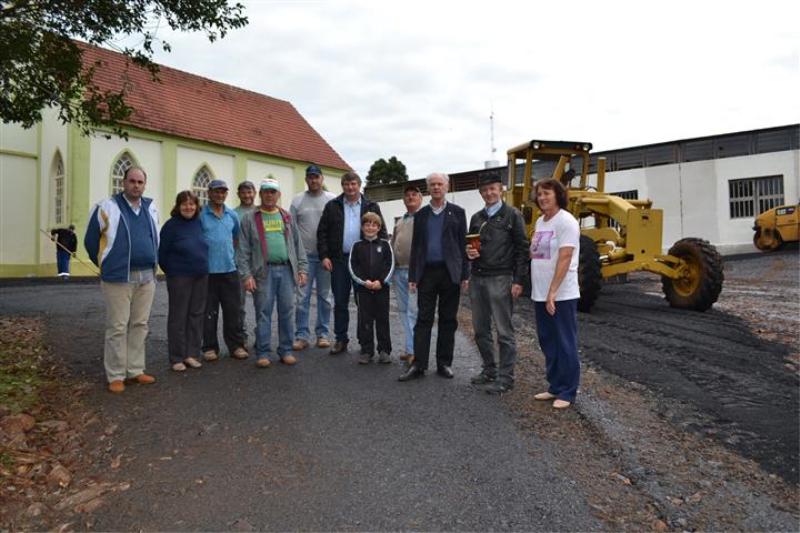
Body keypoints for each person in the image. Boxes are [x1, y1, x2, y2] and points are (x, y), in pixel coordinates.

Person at [84, 167, 159, 393]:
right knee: (117, 326)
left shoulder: (151, 207)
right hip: (118, 277)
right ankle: (115, 374)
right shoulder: (106, 206)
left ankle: (135, 370)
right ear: (123, 182)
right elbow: (90, 242)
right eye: (132, 181)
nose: (136, 185)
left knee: (139, 324)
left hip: (147, 276)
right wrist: (105, 265)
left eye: (140, 182)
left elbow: (155, 236)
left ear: (144, 185)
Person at [400, 172, 469, 382]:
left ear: (446, 187)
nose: (437, 187)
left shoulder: (458, 212)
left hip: (450, 273)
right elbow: (417, 248)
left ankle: (444, 363)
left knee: (448, 319)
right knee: (423, 319)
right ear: (428, 188)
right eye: (433, 184)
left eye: (440, 184)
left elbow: (462, 245)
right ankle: (418, 364)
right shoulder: (420, 216)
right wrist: (413, 275)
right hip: (427, 273)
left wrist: (465, 274)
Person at [465, 173, 529, 394]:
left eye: (493, 188)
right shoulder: (476, 218)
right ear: (481, 193)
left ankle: (506, 378)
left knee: (504, 332)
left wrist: (519, 280)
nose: (489, 193)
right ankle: (489, 370)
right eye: (484, 190)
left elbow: (522, 249)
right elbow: (471, 245)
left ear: (501, 189)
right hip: (478, 278)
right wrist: (469, 253)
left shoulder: (512, 215)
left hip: (501, 278)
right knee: (480, 330)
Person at [237, 178, 308, 368]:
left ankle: (285, 350)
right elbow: (243, 249)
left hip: (286, 270)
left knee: (286, 312)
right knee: (263, 313)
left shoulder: (286, 216)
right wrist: (246, 275)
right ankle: (263, 353)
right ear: (260, 194)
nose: (269, 195)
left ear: (278, 195)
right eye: (266, 192)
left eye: (273, 192)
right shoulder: (250, 218)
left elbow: (297, 245)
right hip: (263, 272)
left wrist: (302, 268)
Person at [317, 172, 386, 356]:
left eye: (353, 184)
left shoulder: (371, 205)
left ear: (359, 185)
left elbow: (382, 232)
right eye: (346, 184)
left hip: (364, 262)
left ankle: (364, 342)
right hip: (339, 260)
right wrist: (324, 256)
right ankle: (341, 339)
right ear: (342, 186)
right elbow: (322, 232)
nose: (350, 187)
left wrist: (380, 260)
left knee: (363, 303)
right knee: (340, 302)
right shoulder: (332, 206)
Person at [529, 178, 581, 409]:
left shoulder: (566, 221)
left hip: (561, 294)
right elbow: (538, 256)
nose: (542, 197)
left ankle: (568, 391)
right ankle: (555, 386)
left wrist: (552, 292)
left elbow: (565, 257)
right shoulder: (541, 221)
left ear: (558, 195)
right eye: (539, 194)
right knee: (548, 341)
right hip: (541, 292)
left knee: (564, 341)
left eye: (546, 193)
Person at [158, 190, 208, 372]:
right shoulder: (171, 226)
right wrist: (172, 272)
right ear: (178, 206)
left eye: (192, 204)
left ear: (197, 206)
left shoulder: (199, 223)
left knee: (196, 316)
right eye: (185, 204)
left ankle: (192, 354)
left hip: (201, 276)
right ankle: (177, 357)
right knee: (178, 317)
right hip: (180, 277)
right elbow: (162, 255)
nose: (189, 207)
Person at [200, 179, 248, 362]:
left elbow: (235, 238)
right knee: (209, 312)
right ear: (209, 192)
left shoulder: (232, 215)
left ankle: (236, 346)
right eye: (216, 191)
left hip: (229, 270)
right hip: (208, 272)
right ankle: (210, 347)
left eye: (223, 192)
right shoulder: (201, 215)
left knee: (232, 311)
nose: (220, 195)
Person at [290, 165, 336, 351]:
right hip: (304, 258)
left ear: (322, 179)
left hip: (326, 258)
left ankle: (323, 334)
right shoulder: (297, 200)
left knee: (325, 297)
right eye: (310, 177)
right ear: (306, 179)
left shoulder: (331, 200)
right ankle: (302, 335)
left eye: (316, 177)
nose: (314, 180)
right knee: (302, 298)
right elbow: (291, 230)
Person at [348, 212, 395, 364]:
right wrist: (364, 281)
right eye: (367, 224)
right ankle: (367, 351)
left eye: (374, 225)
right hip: (364, 289)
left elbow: (390, 264)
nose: (370, 227)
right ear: (362, 227)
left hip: (382, 289)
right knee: (365, 320)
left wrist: (381, 281)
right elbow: (353, 266)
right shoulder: (357, 246)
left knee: (382, 319)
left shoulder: (385, 245)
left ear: (379, 227)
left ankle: (384, 350)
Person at [391, 184, 422, 363]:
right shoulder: (400, 221)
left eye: (414, 195)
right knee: (403, 311)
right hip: (398, 271)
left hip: (414, 272)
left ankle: (415, 350)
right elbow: (394, 244)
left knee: (413, 311)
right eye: (407, 195)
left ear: (420, 199)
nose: (410, 197)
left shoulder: (424, 218)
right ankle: (410, 347)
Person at [234, 180, 257, 346]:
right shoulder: (233, 214)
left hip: (259, 265)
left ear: (254, 193)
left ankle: (261, 336)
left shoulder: (261, 212)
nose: (246, 195)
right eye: (243, 192)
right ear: (238, 194)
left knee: (262, 303)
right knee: (238, 305)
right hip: (240, 265)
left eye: (249, 192)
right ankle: (241, 336)